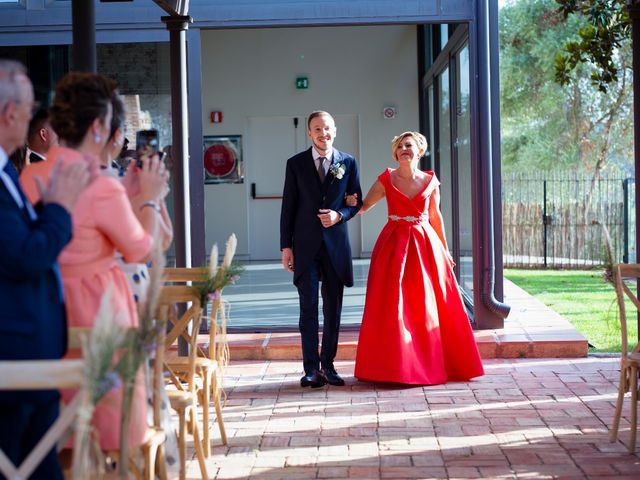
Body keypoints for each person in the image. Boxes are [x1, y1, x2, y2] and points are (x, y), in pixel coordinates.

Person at [20, 72, 168, 451]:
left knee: (52, 435)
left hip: (44, 310)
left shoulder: (29, 175)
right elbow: (140, 249)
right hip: (96, 315)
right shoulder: (99, 183)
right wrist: (149, 197)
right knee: (110, 433)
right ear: (100, 127)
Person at [0, 59, 89, 479]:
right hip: (14, 357)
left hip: (29, 353)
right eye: (32, 106)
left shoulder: (6, 172)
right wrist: (58, 209)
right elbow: (24, 256)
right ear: (9, 114)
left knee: (41, 465)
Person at [348, 131, 484, 385]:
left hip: (424, 245)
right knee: (392, 305)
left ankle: (430, 365)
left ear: (419, 151)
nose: (403, 150)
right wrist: (344, 207)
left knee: (425, 307)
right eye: (399, 146)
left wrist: (445, 250)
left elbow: (435, 216)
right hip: (392, 247)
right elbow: (364, 206)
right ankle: (391, 368)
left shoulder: (431, 182)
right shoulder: (386, 180)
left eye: (408, 145)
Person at [280, 110, 362, 388]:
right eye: (317, 129)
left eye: (327, 128)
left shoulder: (348, 162)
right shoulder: (295, 164)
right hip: (304, 246)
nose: (322, 133)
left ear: (334, 130)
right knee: (308, 309)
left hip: (335, 246)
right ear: (309, 133)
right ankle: (311, 370)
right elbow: (288, 208)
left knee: (333, 309)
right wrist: (285, 247)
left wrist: (340, 215)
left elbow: (355, 201)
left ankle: (328, 364)